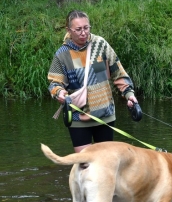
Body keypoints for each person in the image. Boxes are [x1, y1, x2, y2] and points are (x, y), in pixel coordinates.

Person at [48, 10, 138, 152]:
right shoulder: (62, 55)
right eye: (78, 29)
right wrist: (59, 93)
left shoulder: (100, 44)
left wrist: (129, 95)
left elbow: (118, 73)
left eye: (86, 28)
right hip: (78, 117)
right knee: (84, 165)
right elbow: (54, 83)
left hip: (105, 115)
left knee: (105, 165)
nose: (83, 33)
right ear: (69, 30)